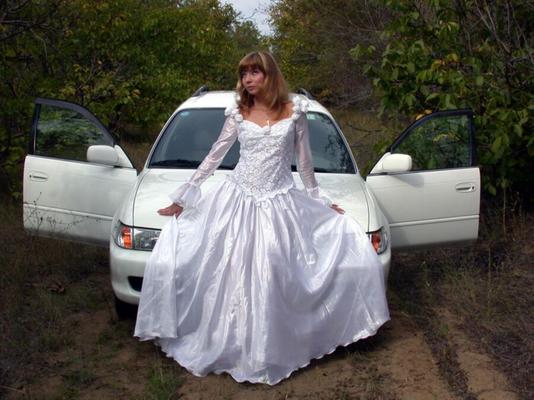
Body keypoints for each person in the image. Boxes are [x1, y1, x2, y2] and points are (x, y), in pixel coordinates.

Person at [134, 51, 389, 385]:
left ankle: (273, 346)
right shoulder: (238, 112)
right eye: (244, 74)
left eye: (255, 72)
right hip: (237, 199)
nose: (248, 80)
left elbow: (305, 164)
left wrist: (320, 200)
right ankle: (233, 344)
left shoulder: (295, 113)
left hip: (280, 201)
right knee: (227, 270)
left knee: (274, 268)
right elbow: (215, 155)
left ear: (270, 76)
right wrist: (185, 195)